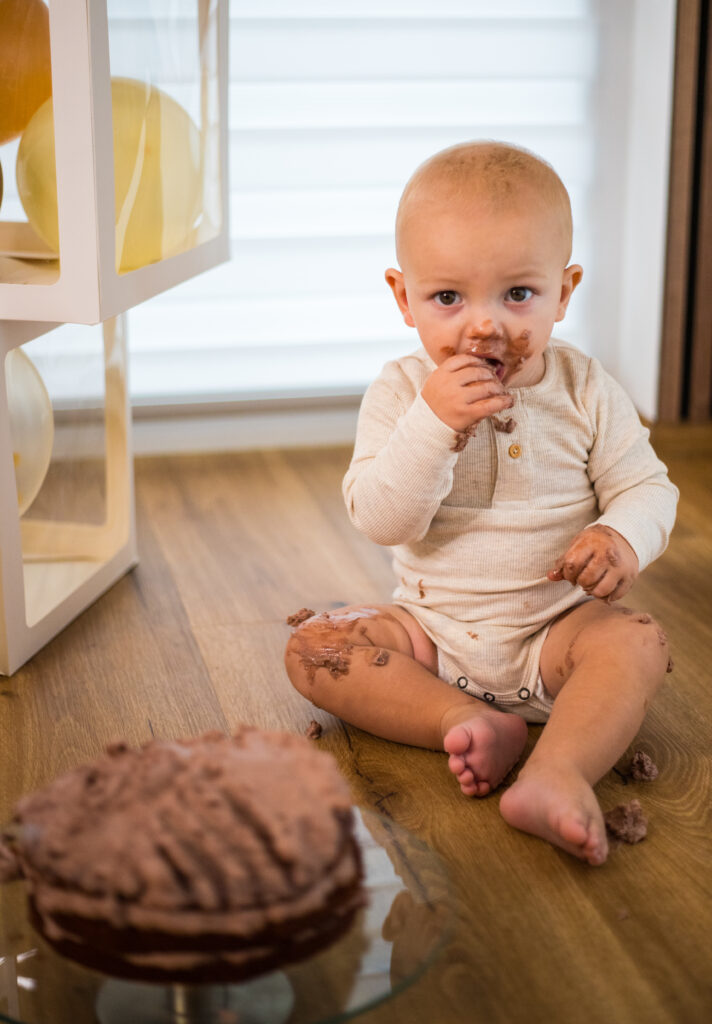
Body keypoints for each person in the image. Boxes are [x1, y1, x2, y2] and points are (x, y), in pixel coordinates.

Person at [284, 141, 678, 866]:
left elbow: (646, 485)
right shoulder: (402, 393)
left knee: (638, 642)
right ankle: (460, 720)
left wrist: (622, 536)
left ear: (565, 291)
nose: (484, 326)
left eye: (518, 294)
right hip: (430, 639)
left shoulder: (585, 388)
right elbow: (381, 519)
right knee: (316, 649)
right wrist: (433, 426)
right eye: (448, 298)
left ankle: (557, 771)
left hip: (557, 638)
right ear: (404, 297)